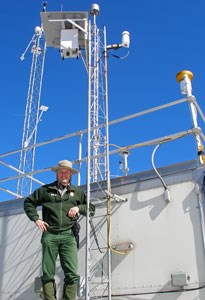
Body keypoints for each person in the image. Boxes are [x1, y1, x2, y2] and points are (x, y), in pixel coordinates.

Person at [24, 160, 95, 300]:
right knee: (48, 272)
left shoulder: (78, 192)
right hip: (50, 235)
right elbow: (28, 203)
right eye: (61, 172)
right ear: (57, 173)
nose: (64, 174)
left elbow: (91, 209)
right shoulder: (45, 190)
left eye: (66, 172)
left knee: (71, 273)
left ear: (70, 175)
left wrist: (78, 208)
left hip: (69, 236)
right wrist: (36, 219)